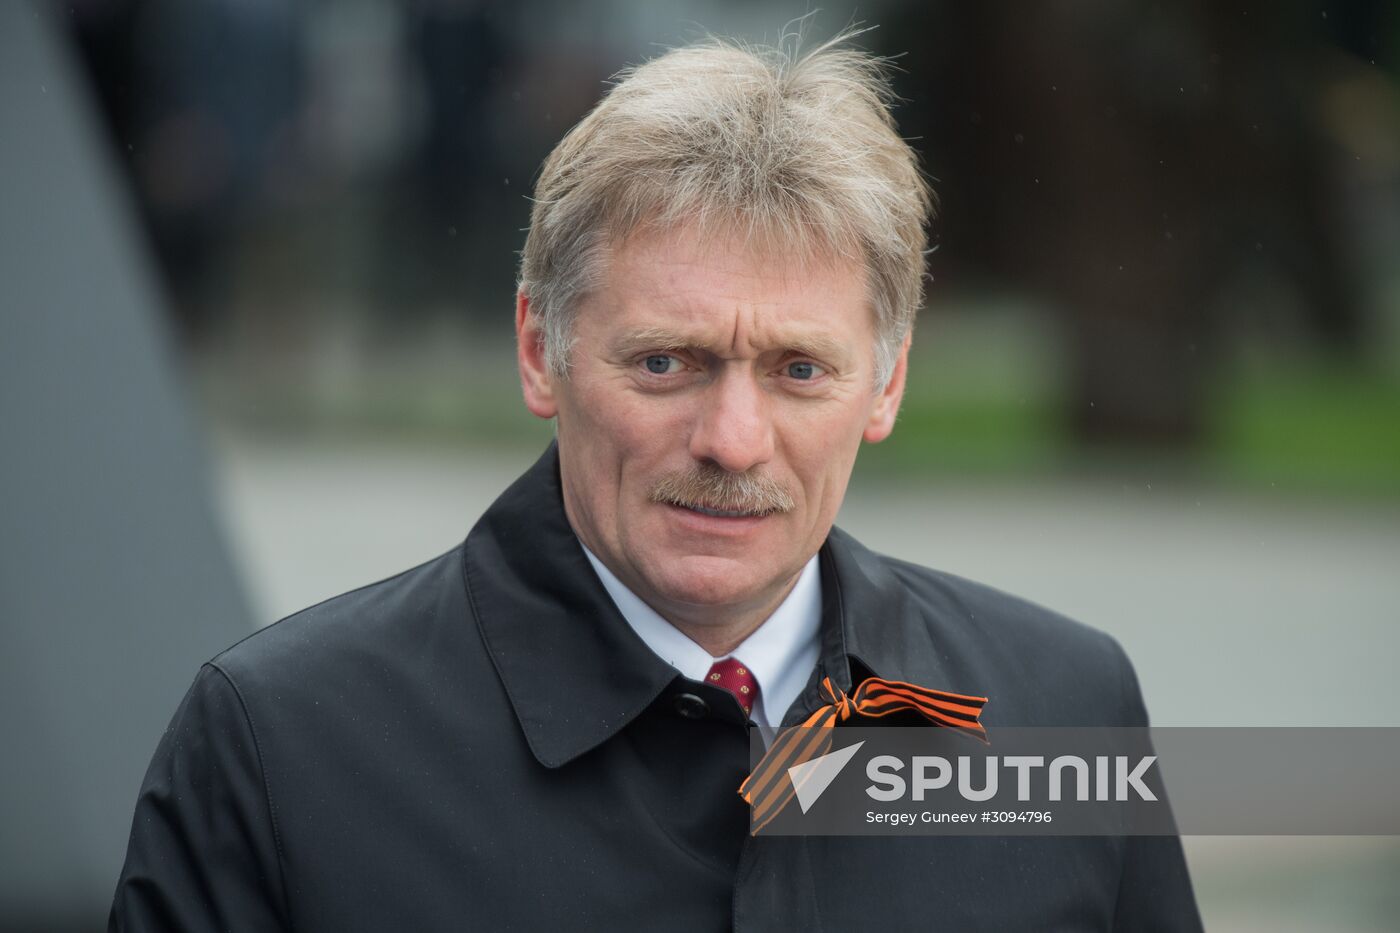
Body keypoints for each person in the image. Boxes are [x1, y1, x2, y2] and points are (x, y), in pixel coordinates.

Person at [109, 32, 1203, 931]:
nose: (731, 440)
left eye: (798, 370)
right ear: (540, 351)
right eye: (665, 362)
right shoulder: (281, 745)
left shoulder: (1065, 709)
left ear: (886, 387)